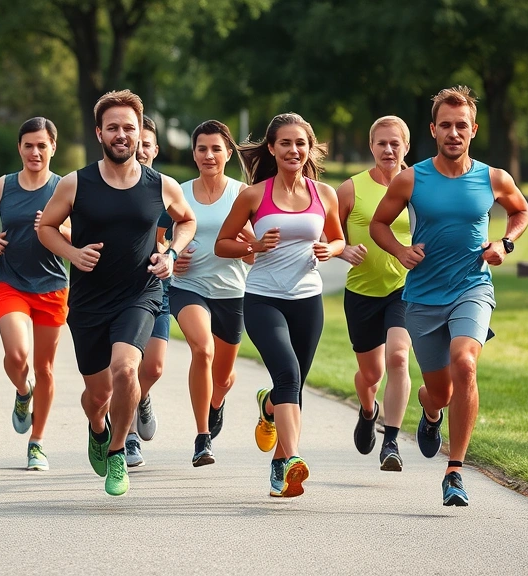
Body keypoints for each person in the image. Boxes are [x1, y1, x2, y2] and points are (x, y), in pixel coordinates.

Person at [370, 86, 528, 506]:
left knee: (466, 363)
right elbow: (379, 225)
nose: (454, 133)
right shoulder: (411, 178)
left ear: (473, 130)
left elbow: (521, 211)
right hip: (422, 297)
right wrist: (401, 251)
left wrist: (505, 243)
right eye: (446, 125)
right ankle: (430, 410)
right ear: (433, 129)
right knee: (438, 390)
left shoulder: (494, 177)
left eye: (462, 126)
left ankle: (455, 470)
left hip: (471, 287)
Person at [37, 89, 196, 496]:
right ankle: (97, 427)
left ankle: (119, 451)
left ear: (140, 130)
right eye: (113, 128)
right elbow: (45, 228)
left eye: (129, 127)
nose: (122, 134)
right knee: (97, 394)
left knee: (127, 370)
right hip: (89, 301)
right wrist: (73, 253)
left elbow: (187, 221)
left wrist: (171, 252)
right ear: (99, 133)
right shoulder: (76, 183)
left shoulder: (161, 184)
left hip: (139, 293)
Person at [216, 112, 344, 497]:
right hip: (263, 299)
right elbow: (223, 244)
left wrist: (329, 249)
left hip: (308, 300)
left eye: (300, 143)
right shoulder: (254, 195)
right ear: (271, 148)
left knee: (293, 384)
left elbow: (338, 239)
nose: (293, 150)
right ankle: (292, 460)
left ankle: (270, 415)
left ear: (309, 149)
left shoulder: (325, 194)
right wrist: (253, 245)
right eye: (285, 143)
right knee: (289, 374)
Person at [0, 117, 70, 471]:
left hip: (52, 286)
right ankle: (22, 391)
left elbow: (80, 235)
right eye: (28, 145)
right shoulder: (1, 186)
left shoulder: (65, 188)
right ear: (19, 148)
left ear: (53, 148)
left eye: (42, 145)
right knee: (18, 356)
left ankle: (37, 443)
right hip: (11, 282)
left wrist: (57, 225)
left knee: (45, 367)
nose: (35, 152)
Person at [170, 120, 254, 466]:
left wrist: (252, 248)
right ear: (194, 154)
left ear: (228, 153)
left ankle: (216, 401)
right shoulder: (179, 191)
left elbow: (253, 247)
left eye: (216, 148)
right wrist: (168, 254)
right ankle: (203, 438)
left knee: (223, 377)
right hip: (188, 287)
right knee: (202, 350)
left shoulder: (241, 194)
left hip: (233, 291)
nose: (209, 155)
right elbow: (158, 235)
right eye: (202, 149)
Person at [336, 116, 413, 471]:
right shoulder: (351, 189)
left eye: (395, 143)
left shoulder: (418, 186)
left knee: (398, 358)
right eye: (381, 143)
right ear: (371, 147)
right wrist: (343, 251)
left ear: (406, 147)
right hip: (362, 292)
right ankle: (368, 409)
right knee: (371, 376)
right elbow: (328, 236)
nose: (388, 150)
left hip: (405, 287)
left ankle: (392, 441)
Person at [125, 115, 166, 468]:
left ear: (155, 149)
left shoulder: (166, 189)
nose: (139, 150)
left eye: (146, 145)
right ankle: (129, 438)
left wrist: (173, 253)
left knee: (151, 368)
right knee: (124, 368)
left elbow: (187, 227)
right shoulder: (111, 186)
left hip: (158, 289)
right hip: (121, 292)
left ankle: (142, 398)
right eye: (135, 144)